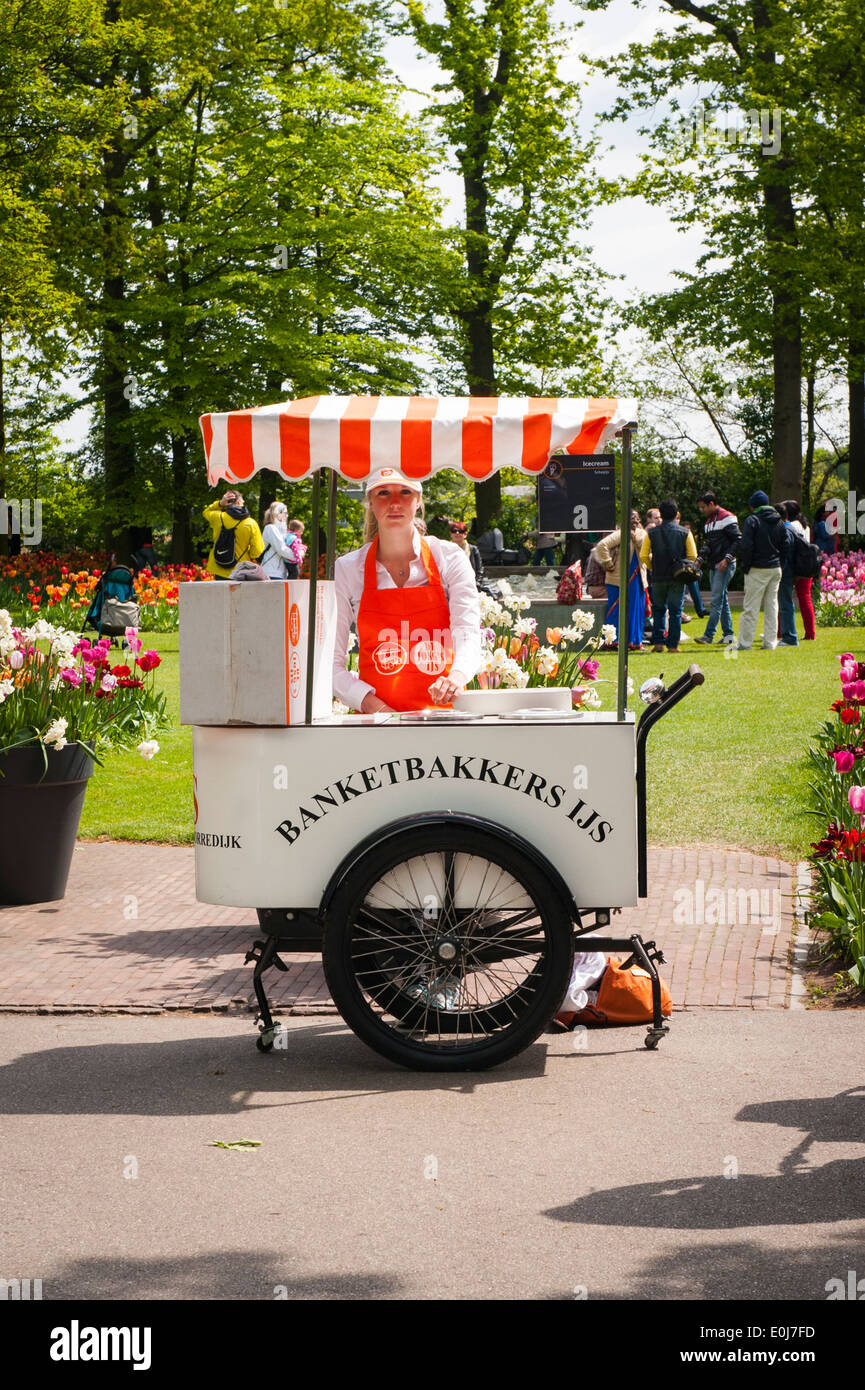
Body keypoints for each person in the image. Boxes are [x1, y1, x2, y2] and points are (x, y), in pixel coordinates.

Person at [333, 468, 482, 713]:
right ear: (369, 501)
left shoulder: (449, 557)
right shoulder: (348, 569)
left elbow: (468, 633)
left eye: (405, 492)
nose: (394, 502)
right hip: (376, 724)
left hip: (443, 717)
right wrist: (375, 707)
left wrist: (456, 677)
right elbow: (330, 660)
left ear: (418, 500)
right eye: (383, 493)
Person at [734, 491, 789, 651]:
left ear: (753, 506)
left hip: (757, 568)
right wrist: (781, 564)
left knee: (751, 607)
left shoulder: (752, 520)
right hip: (775, 568)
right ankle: (770, 643)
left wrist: (746, 565)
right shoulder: (779, 521)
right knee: (772, 606)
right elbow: (786, 545)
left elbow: (746, 546)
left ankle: (745, 643)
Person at [640, 498, 697, 653]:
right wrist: (682, 567)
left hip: (658, 576)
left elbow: (644, 555)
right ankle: (673, 645)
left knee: (658, 609)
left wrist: (654, 568)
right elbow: (693, 556)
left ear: (661, 515)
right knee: (675, 612)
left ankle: (658, 644)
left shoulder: (650, 532)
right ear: (676, 514)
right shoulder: (686, 532)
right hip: (677, 577)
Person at [595, 510, 647, 650]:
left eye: (636, 518)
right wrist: (607, 563)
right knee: (615, 609)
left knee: (636, 609)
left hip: (637, 578)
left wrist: (635, 538)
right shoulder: (620, 534)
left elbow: (645, 550)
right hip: (617, 579)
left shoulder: (643, 533)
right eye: (631, 518)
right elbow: (601, 546)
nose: (634, 520)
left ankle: (635, 641)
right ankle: (611, 641)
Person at [694, 491, 740, 645]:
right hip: (715, 564)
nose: (702, 510)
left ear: (712, 504)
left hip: (724, 565)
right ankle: (729, 636)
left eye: (703, 507)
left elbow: (738, 539)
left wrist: (727, 559)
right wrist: (700, 558)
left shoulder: (727, 517)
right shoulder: (709, 521)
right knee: (722, 599)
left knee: (716, 600)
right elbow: (709, 544)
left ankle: (708, 635)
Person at [203, 490, 264, 579]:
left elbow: (206, 512)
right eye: (243, 501)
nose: (244, 502)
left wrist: (220, 503)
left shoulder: (218, 517)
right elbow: (257, 552)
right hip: (240, 570)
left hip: (219, 568)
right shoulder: (251, 523)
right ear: (239, 502)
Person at [781, 500, 816, 641]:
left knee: (784, 598)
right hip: (806, 565)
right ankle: (810, 633)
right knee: (805, 598)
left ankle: (781, 631)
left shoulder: (791, 525)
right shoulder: (805, 525)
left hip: (794, 565)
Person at [260, 502, 301, 579]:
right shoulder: (270, 528)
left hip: (280, 574)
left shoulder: (282, 531)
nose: (287, 515)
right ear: (277, 513)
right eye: (285, 513)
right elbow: (282, 549)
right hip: (271, 573)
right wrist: (298, 556)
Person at [447, 520, 485, 587]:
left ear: (465, 534)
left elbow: (479, 569)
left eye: (461, 531)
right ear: (450, 533)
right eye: (454, 531)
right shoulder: (445, 548)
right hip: (450, 583)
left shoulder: (473, 549)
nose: (457, 533)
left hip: (469, 583)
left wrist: (477, 582)